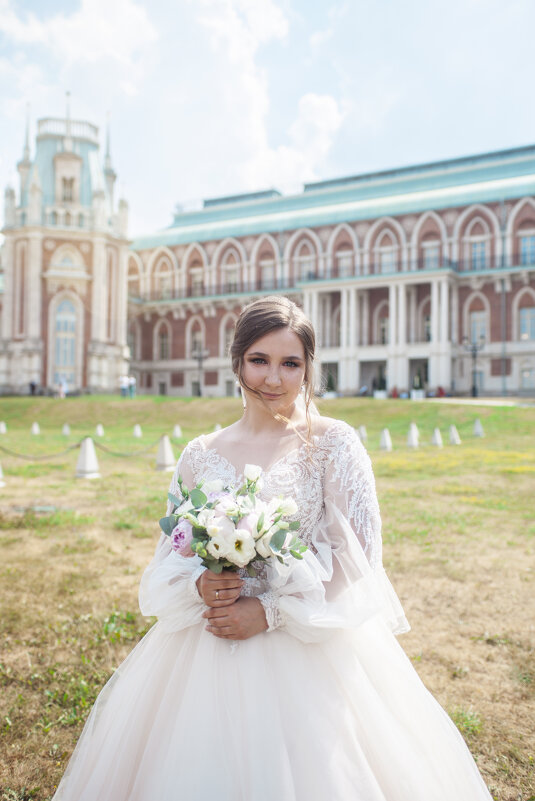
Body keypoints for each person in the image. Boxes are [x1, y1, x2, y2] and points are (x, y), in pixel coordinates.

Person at [53, 297, 492, 800]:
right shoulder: (200, 454)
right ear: (237, 361)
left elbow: (360, 559)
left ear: (308, 370)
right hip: (206, 644)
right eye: (260, 360)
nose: (273, 379)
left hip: (308, 643)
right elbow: (171, 552)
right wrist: (202, 581)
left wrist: (270, 613)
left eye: (291, 364)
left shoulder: (332, 444)